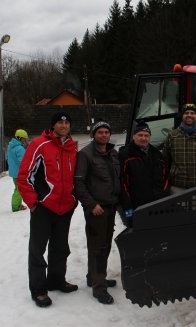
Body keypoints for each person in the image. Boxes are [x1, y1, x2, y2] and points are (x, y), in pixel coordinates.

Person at [17, 112, 78, 308]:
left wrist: (73, 199)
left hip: (65, 208)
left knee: (60, 249)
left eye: (67, 122)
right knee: (37, 250)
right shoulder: (39, 145)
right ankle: (39, 289)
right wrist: (34, 203)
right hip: (43, 207)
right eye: (60, 122)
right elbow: (24, 177)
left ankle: (56, 280)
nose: (64, 125)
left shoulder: (71, 147)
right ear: (53, 125)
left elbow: (76, 177)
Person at [74, 119, 120, 305]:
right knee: (97, 247)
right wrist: (91, 204)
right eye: (100, 132)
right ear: (93, 135)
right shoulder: (85, 154)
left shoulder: (113, 154)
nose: (104, 135)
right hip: (97, 209)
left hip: (111, 206)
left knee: (106, 245)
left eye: (106, 132)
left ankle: (94, 276)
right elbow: (78, 183)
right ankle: (99, 288)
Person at [119, 121, 170, 225]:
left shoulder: (157, 155)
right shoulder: (125, 155)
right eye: (140, 135)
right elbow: (122, 184)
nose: (143, 138)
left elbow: (166, 177)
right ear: (134, 136)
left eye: (146, 135)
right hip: (138, 207)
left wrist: (163, 196)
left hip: (157, 205)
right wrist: (128, 210)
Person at [6, 129, 28, 212]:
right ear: (19, 138)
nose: (25, 140)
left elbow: (7, 158)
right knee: (19, 189)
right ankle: (16, 206)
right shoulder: (19, 148)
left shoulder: (10, 147)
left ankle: (18, 204)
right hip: (19, 173)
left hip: (13, 172)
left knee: (17, 188)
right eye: (24, 139)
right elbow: (24, 161)